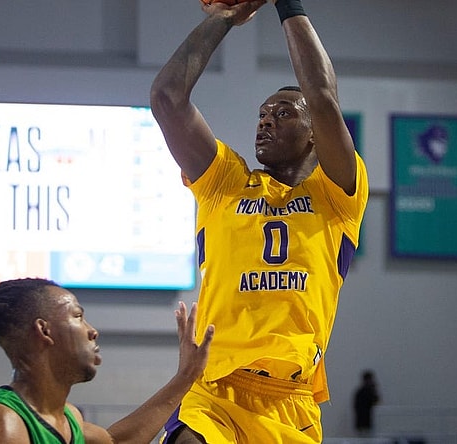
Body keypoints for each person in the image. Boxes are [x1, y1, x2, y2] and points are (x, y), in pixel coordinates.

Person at [149, 0, 369, 442]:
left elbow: (323, 98)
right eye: (262, 115)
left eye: (284, 113)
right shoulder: (224, 183)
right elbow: (167, 98)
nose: (266, 121)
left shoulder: (336, 195)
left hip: (291, 402)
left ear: (315, 133)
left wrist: (288, 4)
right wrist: (225, 18)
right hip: (213, 393)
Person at [0, 277, 214, 444]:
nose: (92, 330)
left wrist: (186, 376)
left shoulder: (68, 419)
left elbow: (117, 441)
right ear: (44, 331)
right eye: (78, 316)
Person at [354, 370, 380, 436]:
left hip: (365, 422)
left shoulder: (360, 392)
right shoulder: (363, 392)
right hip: (365, 422)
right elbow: (376, 401)